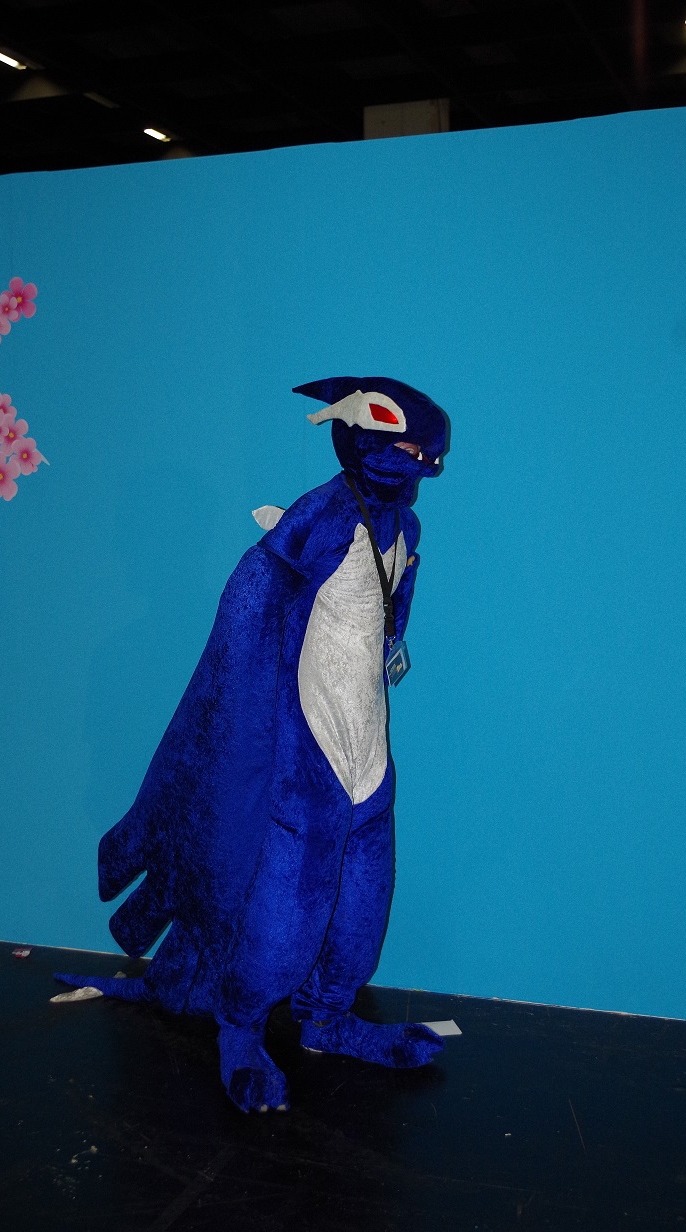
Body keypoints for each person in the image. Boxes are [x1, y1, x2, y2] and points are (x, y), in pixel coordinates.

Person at [56, 375, 448, 1113]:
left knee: (361, 913)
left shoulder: (405, 530)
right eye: (402, 446)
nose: (418, 462)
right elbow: (243, 627)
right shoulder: (317, 520)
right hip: (309, 765)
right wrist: (236, 749)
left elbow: (391, 616)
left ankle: (327, 1020)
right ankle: (240, 1030)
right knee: (286, 921)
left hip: (370, 763)